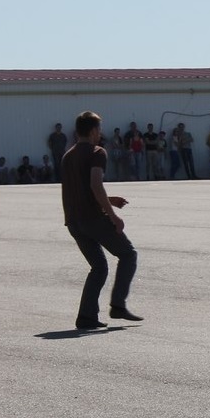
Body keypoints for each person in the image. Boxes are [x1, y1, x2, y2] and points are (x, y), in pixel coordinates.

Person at [60, 110, 142, 331]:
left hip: (74, 221)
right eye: (99, 129)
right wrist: (113, 216)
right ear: (93, 130)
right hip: (93, 219)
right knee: (128, 254)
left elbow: (80, 188)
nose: (100, 133)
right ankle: (118, 305)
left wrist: (109, 200)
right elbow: (95, 184)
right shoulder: (97, 152)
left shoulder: (68, 156)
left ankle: (86, 317)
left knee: (98, 267)